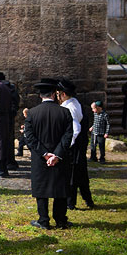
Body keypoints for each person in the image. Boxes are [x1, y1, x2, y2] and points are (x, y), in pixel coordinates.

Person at [23, 78, 74, 230]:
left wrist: (45, 153)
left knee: (41, 188)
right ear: (54, 94)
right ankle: (60, 220)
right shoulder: (65, 112)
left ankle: (43, 219)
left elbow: (30, 137)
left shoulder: (32, 113)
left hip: (40, 158)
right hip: (60, 158)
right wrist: (56, 155)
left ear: (40, 95)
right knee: (60, 188)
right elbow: (68, 136)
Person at [57, 79, 94, 210]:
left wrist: (67, 145)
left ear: (63, 94)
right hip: (80, 145)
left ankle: (70, 202)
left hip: (74, 147)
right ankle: (88, 200)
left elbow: (75, 129)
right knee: (81, 174)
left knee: (72, 175)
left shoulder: (69, 107)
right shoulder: (76, 103)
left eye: (58, 94)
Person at [0, 73, 21, 170]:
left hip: (5, 117)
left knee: (5, 140)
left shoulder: (4, 88)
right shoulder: (10, 88)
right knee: (8, 140)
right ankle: (9, 160)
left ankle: (8, 161)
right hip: (9, 116)